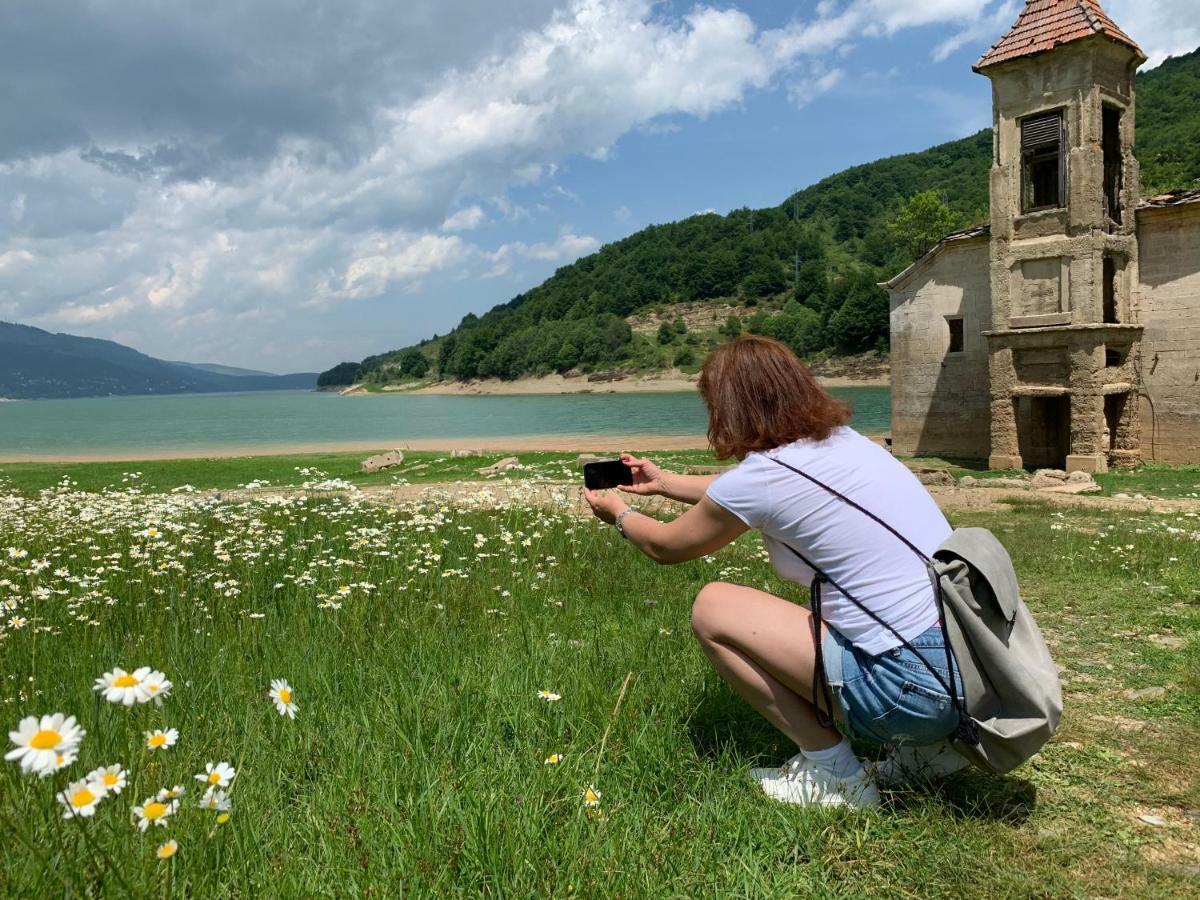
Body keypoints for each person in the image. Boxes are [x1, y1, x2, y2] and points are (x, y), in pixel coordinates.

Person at [584, 335, 966, 810]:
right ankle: (928, 751)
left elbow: (666, 546)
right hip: (967, 669)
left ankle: (836, 775)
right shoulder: (849, 445)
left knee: (714, 608)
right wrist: (664, 484)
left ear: (730, 407)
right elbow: (750, 491)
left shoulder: (765, 477)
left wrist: (618, 513)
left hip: (911, 687)